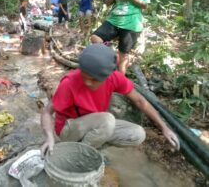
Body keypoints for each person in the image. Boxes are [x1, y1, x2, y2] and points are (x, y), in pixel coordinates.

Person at [41, 44, 180, 156]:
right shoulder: (70, 82)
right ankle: (79, 154)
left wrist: (164, 128)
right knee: (107, 120)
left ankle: (89, 148)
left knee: (137, 134)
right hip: (69, 129)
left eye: (94, 79)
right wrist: (49, 137)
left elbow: (140, 101)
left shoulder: (115, 78)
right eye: (85, 77)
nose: (88, 83)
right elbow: (47, 112)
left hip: (97, 125)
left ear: (107, 76)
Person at [91, 0, 150, 74]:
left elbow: (144, 5)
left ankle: (120, 81)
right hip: (114, 20)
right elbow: (107, 3)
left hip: (131, 23)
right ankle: (110, 59)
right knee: (95, 38)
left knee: (123, 56)